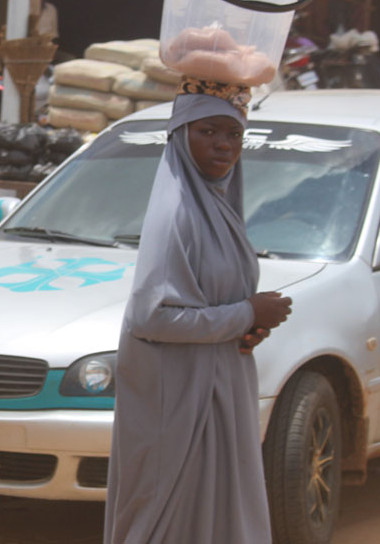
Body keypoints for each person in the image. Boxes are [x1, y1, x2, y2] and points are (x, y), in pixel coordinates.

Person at [103, 79, 294, 544]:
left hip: (216, 384)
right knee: (169, 519)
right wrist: (247, 313)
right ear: (181, 135)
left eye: (233, 134)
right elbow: (153, 317)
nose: (224, 145)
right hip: (176, 400)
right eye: (208, 131)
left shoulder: (218, 206)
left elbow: (211, 300)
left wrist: (245, 326)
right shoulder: (178, 213)